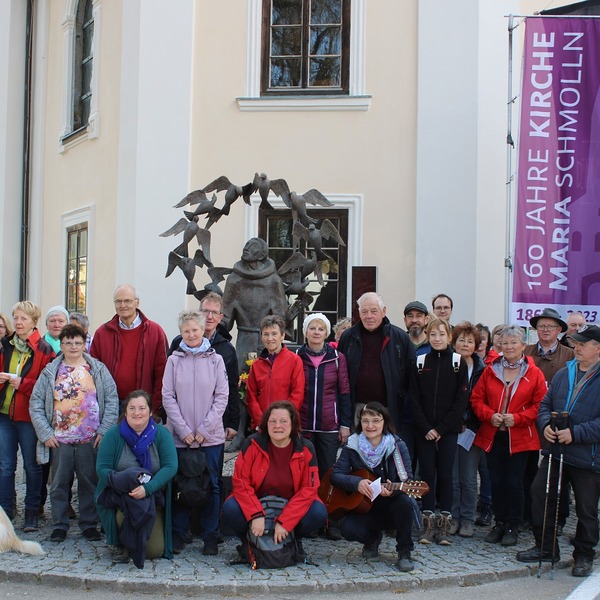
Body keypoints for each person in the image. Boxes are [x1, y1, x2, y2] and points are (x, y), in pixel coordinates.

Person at [516, 324, 600, 577]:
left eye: (583, 344)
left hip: (589, 456)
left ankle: (584, 555)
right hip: (556, 452)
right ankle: (546, 547)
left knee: (586, 509)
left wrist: (575, 433)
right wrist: (545, 426)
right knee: (540, 495)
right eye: (576, 343)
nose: (577, 347)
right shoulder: (565, 373)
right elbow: (545, 404)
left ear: (598, 348)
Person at [29, 324, 119, 542]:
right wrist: (45, 433)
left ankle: (89, 524)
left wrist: (104, 430)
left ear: (84, 344)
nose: (73, 346)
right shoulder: (51, 371)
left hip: (89, 438)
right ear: (61, 345)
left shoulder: (97, 369)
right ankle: (60, 525)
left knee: (90, 483)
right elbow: (35, 403)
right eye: (68, 342)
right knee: (59, 484)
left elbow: (112, 400)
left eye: (77, 342)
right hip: (60, 440)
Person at [471, 325, 546, 547]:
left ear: (523, 346)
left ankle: (513, 525)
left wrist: (518, 418)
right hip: (494, 434)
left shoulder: (534, 373)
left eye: (514, 342)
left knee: (515, 483)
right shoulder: (490, 370)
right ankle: (500, 522)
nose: (509, 346)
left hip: (521, 437)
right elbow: (477, 400)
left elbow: (540, 405)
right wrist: (489, 415)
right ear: (499, 345)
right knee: (496, 482)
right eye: (505, 343)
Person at [222, 401, 327, 557]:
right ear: (266, 423)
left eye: (283, 421)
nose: (278, 425)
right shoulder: (252, 443)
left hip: (289, 506)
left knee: (318, 511)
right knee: (230, 508)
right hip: (258, 503)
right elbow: (241, 482)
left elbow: (309, 489)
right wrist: (255, 515)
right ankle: (249, 542)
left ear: (293, 424)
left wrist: (285, 522)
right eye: (273, 421)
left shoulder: (306, 448)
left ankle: (294, 539)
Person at [162, 310, 229, 556]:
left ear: (203, 330)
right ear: (181, 333)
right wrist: (183, 430)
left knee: (211, 485)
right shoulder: (174, 360)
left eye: (195, 330)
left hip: (209, 438)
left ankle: (210, 534)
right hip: (181, 437)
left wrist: (203, 429)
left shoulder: (216, 360)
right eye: (186, 331)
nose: (191, 334)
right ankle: (178, 533)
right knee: (180, 484)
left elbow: (221, 397)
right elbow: (167, 396)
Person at [330, 402, 417, 572]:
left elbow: (407, 481)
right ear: (360, 423)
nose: (370, 426)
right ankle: (372, 539)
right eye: (365, 421)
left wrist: (391, 492)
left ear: (385, 422)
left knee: (405, 503)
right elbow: (336, 476)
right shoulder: (352, 445)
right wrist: (357, 483)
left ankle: (405, 551)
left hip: (390, 505)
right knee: (347, 528)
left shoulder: (396, 446)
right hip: (364, 506)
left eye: (376, 420)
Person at [95, 390, 177, 566]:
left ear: (150, 412)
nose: (137, 413)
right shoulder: (113, 435)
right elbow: (102, 468)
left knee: (154, 551)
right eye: (132, 408)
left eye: (142, 408)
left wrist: (147, 488)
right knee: (124, 516)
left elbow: (171, 466)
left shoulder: (162, 435)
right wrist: (123, 484)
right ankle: (120, 543)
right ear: (125, 411)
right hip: (122, 496)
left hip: (152, 495)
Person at [410, 317, 468, 545]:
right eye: (433, 334)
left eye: (442, 334)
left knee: (445, 475)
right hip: (424, 430)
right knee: (427, 475)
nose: (437, 339)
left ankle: (443, 525)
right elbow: (413, 398)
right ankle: (427, 524)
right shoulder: (420, 361)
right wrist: (426, 427)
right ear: (427, 335)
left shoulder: (457, 362)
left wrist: (442, 428)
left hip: (447, 430)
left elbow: (461, 399)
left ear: (449, 337)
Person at [0, 301, 55, 530]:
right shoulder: (5, 346)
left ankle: (32, 511)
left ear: (34, 321)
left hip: (29, 416)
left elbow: (48, 386)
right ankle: (5, 510)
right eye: (16, 318)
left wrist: (22, 383)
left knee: (32, 466)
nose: (18, 322)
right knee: (5, 466)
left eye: (23, 318)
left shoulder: (44, 350)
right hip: (4, 414)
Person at [337, 292, 415, 433]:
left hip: (389, 409)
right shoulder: (348, 337)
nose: (369, 316)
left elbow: (411, 377)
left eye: (374, 311)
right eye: (364, 311)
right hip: (357, 409)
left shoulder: (400, 338)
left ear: (383, 311)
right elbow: (340, 375)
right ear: (359, 313)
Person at [168, 292, 239, 442]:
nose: (209, 317)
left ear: (220, 317)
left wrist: (233, 422)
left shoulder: (226, 349)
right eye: (206, 311)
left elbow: (231, 387)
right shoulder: (178, 344)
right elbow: (169, 388)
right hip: (183, 424)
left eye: (214, 312)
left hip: (214, 424)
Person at [90, 285, 168, 422]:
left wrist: (154, 407)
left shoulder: (155, 332)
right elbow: (93, 372)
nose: (123, 305)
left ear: (137, 302)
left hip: (143, 406)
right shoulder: (102, 333)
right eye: (118, 301)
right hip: (111, 406)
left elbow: (162, 373)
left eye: (127, 301)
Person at [297, 314, 351, 478]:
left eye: (321, 329)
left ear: (326, 333)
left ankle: (325, 503)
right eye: (312, 328)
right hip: (303, 425)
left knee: (327, 471)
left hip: (329, 426)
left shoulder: (337, 358)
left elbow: (344, 392)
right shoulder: (297, 356)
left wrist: (345, 425)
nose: (316, 332)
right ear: (306, 332)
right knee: (304, 470)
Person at [221, 237, 287, 374]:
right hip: (243, 341)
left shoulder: (273, 281)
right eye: (246, 245)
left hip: (268, 343)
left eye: (253, 246)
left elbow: (280, 317)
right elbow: (225, 318)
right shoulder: (234, 280)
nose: (246, 249)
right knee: (241, 380)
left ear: (262, 254)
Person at [449, 322, 485, 538]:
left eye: (470, 341)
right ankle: (453, 517)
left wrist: (467, 419)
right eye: (461, 340)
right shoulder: (448, 364)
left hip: (472, 429)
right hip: (451, 429)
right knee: (452, 476)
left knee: (469, 477)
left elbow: (481, 400)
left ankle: (468, 519)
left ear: (476, 346)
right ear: (454, 343)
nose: (465, 344)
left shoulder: (482, 370)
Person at [246, 315, 305, 431]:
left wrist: (283, 419)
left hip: (286, 424)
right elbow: (251, 397)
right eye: (266, 334)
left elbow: (297, 393)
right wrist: (262, 420)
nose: (270, 338)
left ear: (282, 336)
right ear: (261, 337)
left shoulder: (294, 361)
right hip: (262, 425)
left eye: (274, 334)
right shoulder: (256, 365)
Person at [525, 308, 574, 384]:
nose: (545, 329)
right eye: (541, 326)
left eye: (550, 326)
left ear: (559, 330)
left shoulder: (571, 354)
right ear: (536, 329)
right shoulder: (524, 351)